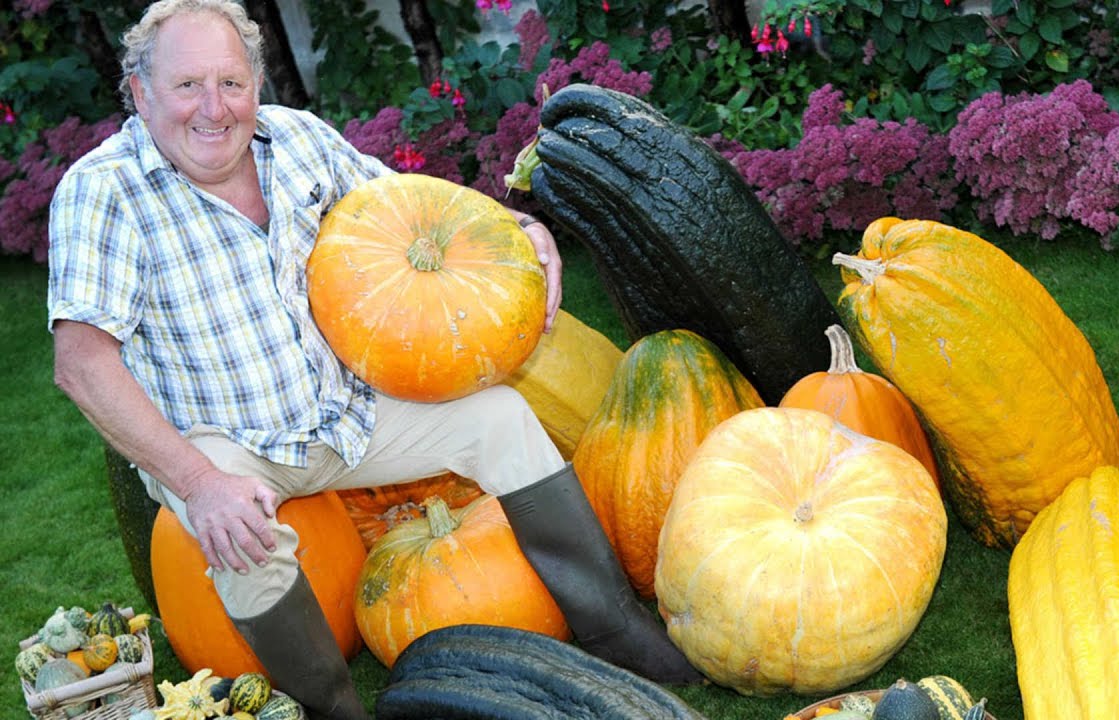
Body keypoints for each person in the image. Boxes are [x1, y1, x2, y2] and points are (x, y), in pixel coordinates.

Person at [46, 1, 701, 717]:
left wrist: (516, 229)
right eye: (187, 86)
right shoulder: (104, 190)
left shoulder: (297, 141)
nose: (214, 107)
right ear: (140, 92)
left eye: (231, 83)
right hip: (227, 446)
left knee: (501, 417)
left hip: (344, 409)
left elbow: (413, 209)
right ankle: (332, 707)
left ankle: (614, 629)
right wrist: (198, 484)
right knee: (243, 538)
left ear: (256, 85)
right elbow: (82, 362)